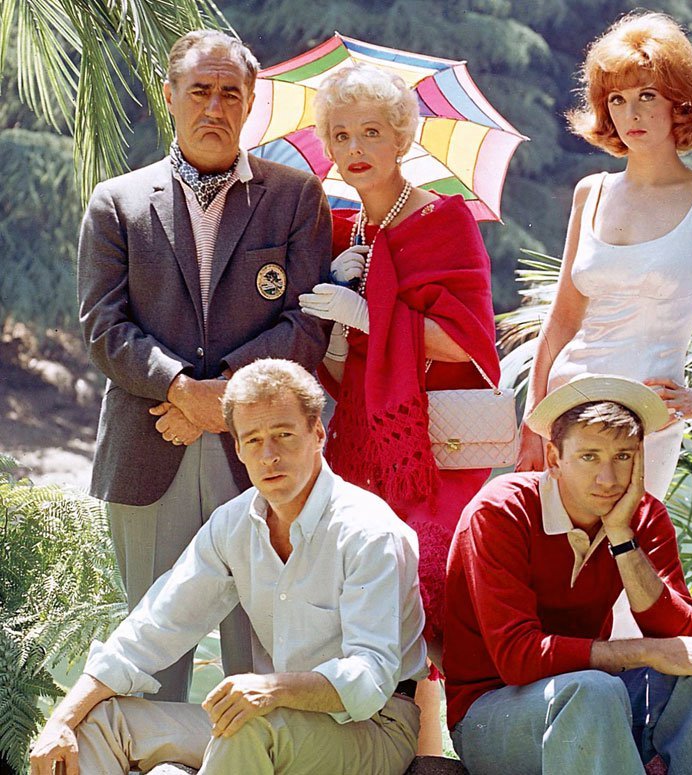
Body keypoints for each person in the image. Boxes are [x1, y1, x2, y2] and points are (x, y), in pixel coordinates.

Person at [77, 30, 332, 703]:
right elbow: (102, 326)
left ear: (251, 104)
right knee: (148, 654)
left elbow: (308, 322)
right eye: (199, 91)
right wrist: (183, 390)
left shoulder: (296, 198)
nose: (214, 107)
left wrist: (226, 401)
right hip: (149, 442)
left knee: (264, 648)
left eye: (230, 94)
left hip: (261, 449)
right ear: (169, 96)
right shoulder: (117, 203)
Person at [28, 359, 426, 775]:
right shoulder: (233, 524)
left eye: (284, 435)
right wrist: (62, 719)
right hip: (271, 721)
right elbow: (150, 631)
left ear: (318, 434)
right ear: (238, 449)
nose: (269, 455)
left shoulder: (368, 532)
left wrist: (272, 689)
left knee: (245, 729)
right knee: (100, 725)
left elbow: (371, 678)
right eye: (253, 440)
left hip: (373, 727)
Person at [296, 63, 501, 756]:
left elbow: (469, 340)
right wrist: (335, 309)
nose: (355, 147)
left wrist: (373, 311)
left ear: (402, 137)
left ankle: (464, 740)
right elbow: (331, 366)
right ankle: (385, 744)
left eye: (372, 132)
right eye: (341, 133)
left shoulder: (443, 219)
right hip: (357, 442)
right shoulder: (341, 231)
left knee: (432, 578)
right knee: (358, 584)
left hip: (431, 446)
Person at [517, 11, 692, 500]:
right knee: (559, 564)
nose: (631, 114)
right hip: (567, 410)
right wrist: (532, 421)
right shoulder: (592, 191)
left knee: (629, 560)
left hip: (650, 415)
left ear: (680, 103)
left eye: (647, 95)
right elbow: (562, 319)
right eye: (618, 100)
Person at [444, 375, 692, 775]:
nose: (609, 479)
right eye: (589, 457)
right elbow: (518, 659)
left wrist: (621, 537)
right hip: (493, 715)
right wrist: (645, 652)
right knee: (594, 689)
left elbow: (680, 632)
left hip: (594, 702)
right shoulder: (501, 511)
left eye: (623, 457)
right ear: (553, 458)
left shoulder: (641, 514)